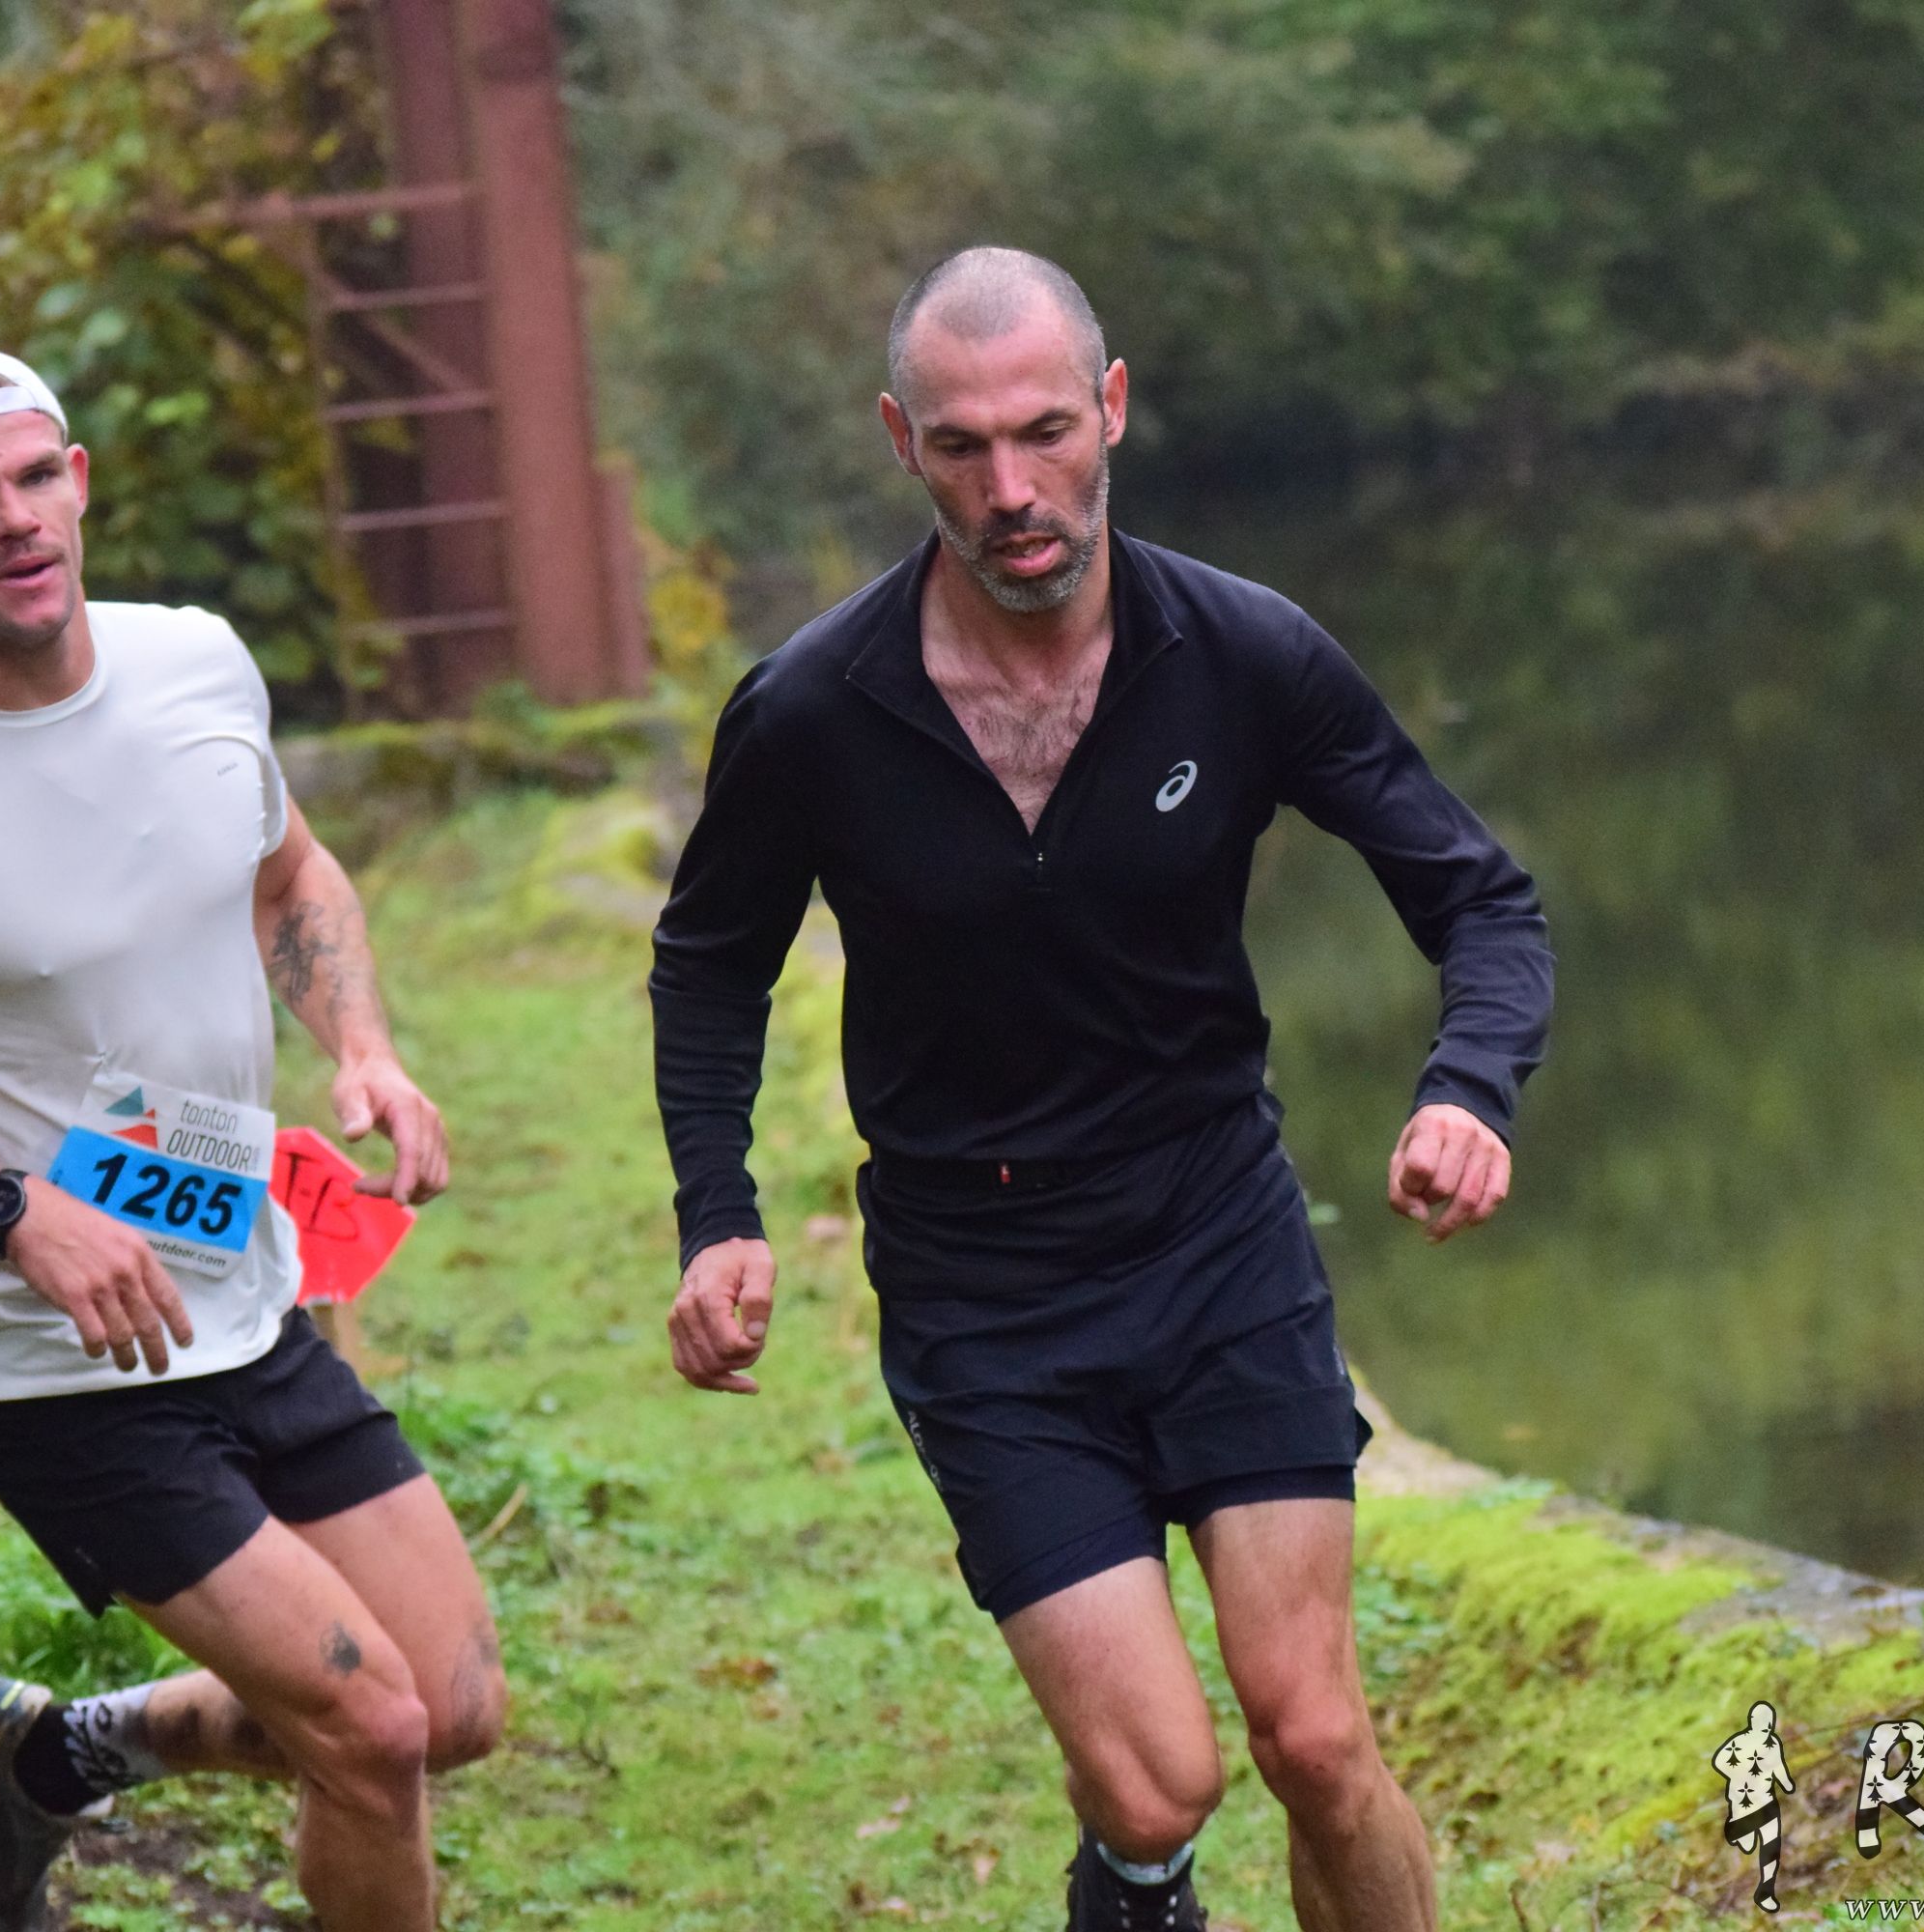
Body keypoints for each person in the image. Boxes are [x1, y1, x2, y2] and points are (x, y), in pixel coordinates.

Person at [649, 248, 1554, 1932]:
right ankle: (1135, 1879)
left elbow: (1480, 898)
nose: (1012, 489)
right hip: (984, 1288)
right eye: (962, 446)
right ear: (901, 444)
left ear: (1113, 409)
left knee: (1314, 1737)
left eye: (1045, 433)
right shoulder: (811, 714)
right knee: (1157, 1785)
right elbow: (708, 966)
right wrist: (720, 1214)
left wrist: (1471, 1087)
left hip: (1215, 1238)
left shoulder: (1244, 654)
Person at [0, 348, 501, 1932]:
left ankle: (50, 1756)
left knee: (453, 1704)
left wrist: (362, 1047)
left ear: (78, 481)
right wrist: (12, 1209)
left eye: (33, 478)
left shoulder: (196, 665)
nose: (13, 520)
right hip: (56, 1365)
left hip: (248, 1287)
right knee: (373, 1732)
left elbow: (290, 875)